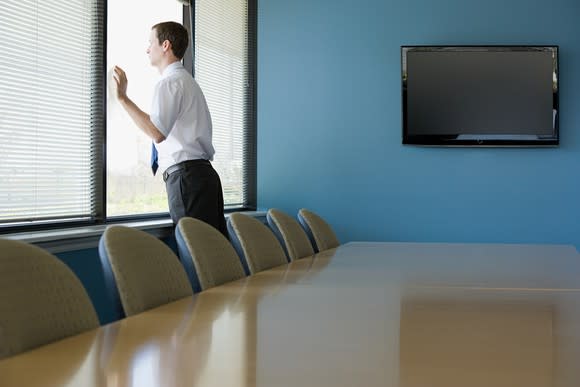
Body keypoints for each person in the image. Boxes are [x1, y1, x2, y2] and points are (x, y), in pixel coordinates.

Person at [112, 21, 227, 236]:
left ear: (165, 45)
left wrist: (123, 98)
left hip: (187, 179)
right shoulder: (187, 82)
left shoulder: (170, 83)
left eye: (150, 43)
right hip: (203, 176)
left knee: (198, 255)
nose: (147, 49)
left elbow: (157, 132)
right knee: (213, 256)